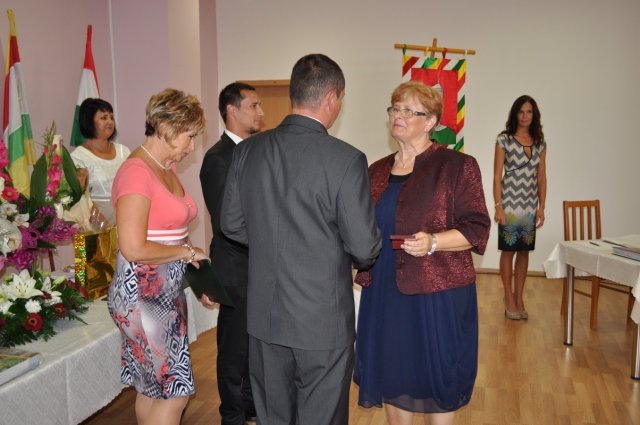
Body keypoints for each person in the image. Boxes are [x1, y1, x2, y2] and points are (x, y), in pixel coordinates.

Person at [220, 53, 382, 425]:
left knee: (273, 417)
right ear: (332, 98)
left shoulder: (247, 151)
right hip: (322, 318)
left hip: (265, 317)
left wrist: (271, 244)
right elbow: (364, 247)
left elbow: (231, 224)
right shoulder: (346, 159)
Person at [353, 80, 491, 425]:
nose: (397, 116)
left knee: (437, 375)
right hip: (384, 289)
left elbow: (477, 227)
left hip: (438, 290)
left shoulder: (457, 166)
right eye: (394, 108)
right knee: (393, 369)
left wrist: (433, 242)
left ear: (431, 121)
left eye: (407, 110)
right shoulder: (376, 170)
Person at [107, 88, 209, 425]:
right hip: (142, 294)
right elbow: (133, 247)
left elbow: (170, 231)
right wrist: (186, 251)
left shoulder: (164, 165)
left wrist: (197, 274)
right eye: (189, 136)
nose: (192, 146)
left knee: (153, 389)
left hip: (164, 291)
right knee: (175, 391)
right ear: (166, 127)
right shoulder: (137, 172)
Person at [199, 82, 264, 424]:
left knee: (256, 346)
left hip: (260, 266)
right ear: (232, 110)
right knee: (234, 349)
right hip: (235, 266)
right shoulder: (218, 158)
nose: (260, 113)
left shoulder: (257, 151)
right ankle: (232, 415)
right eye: (253, 106)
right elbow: (228, 222)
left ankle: (252, 407)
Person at [493, 95, 547, 320]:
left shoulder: (540, 143)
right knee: (508, 250)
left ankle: (519, 297)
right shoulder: (504, 140)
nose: (525, 116)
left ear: (534, 115)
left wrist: (542, 207)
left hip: (529, 205)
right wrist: (498, 206)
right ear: (515, 113)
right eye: (521, 111)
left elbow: (541, 177)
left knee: (524, 251)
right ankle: (508, 297)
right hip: (509, 204)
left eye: (529, 112)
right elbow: (497, 176)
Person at [71, 98, 130, 225]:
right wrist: (103, 226)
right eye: (103, 117)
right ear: (89, 122)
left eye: (111, 117)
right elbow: (79, 200)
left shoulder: (124, 151)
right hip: (93, 227)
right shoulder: (78, 157)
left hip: (126, 221)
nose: (110, 121)